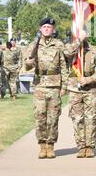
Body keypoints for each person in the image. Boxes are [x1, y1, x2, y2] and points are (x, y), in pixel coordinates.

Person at [25, 18, 68, 159]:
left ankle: (51, 146)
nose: (47, 29)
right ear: (40, 29)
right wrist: (29, 62)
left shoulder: (59, 44)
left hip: (55, 85)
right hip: (39, 85)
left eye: (49, 27)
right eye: (44, 26)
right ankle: (42, 145)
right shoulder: (34, 44)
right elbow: (26, 64)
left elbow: (64, 66)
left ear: (53, 29)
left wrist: (64, 86)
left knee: (53, 117)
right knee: (40, 117)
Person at [64, 28, 96, 158]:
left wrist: (89, 79)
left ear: (87, 34)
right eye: (77, 33)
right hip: (74, 89)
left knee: (91, 118)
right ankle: (81, 146)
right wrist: (77, 42)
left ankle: (90, 146)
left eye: (83, 33)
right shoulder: (69, 48)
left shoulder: (95, 50)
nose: (81, 35)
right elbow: (67, 54)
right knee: (77, 119)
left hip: (90, 89)